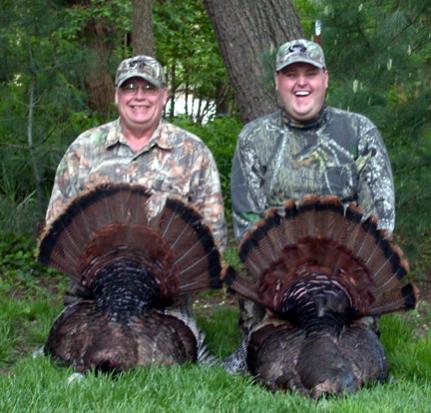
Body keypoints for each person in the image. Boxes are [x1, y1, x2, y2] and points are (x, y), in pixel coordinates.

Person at [226, 39, 395, 372]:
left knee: (356, 354)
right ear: (278, 82)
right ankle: (257, 340)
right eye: (291, 75)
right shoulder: (254, 138)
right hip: (278, 277)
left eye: (310, 73)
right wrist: (293, 279)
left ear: (325, 79)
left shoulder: (360, 131)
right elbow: (249, 228)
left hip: (345, 277)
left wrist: (335, 276)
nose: (301, 82)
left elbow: (381, 223)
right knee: (264, 355)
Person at [45, 55, 227, 309]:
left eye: (149, 88)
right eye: (129, 88)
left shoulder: (192, 152)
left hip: (165, 297)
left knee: (164, 350)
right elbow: (56, 221)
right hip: (93, 293)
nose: (138, 96)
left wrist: (168, 275)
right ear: (116, 96)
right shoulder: (84, 148)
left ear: (164, 96)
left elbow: (213, 232)